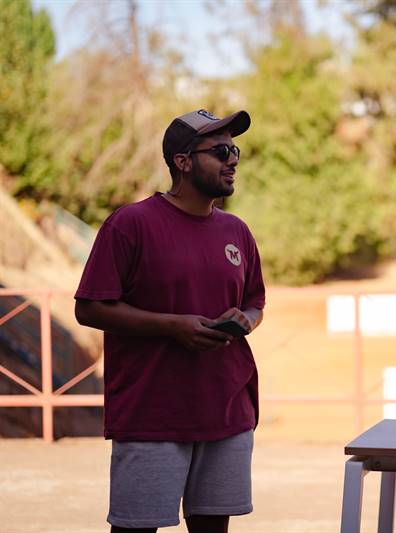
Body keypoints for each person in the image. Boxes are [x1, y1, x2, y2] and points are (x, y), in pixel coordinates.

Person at [74, 109, 266, 533]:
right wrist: (172, 326)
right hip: (152, 412)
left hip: (226, 409)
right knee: (136, 528)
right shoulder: (130, 224)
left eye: (235, 150)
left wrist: (246, 320)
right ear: (183, 162)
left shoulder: (237, 231)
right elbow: (89, 308)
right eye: (220, 151)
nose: (233, 160)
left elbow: (255, 303)